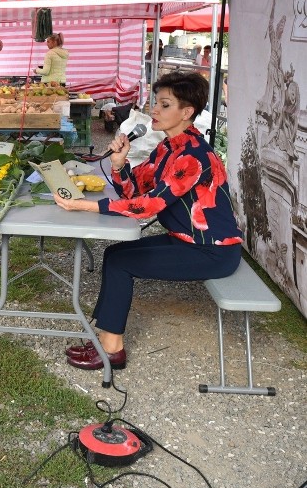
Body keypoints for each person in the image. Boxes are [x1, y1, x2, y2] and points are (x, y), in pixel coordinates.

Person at [54, 72, 242, 370]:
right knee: (114, 253)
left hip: (213, 251)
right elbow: (136, 190)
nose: (154, 109)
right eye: (156, 102)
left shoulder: (193, 156)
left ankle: (112, 350)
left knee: (120, 263)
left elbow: (146, 207)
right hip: (187, 241)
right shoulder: (169, 147)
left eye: (164, 105)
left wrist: (85, 206)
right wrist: (119, 164)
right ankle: (107, 334)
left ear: (187, 112)